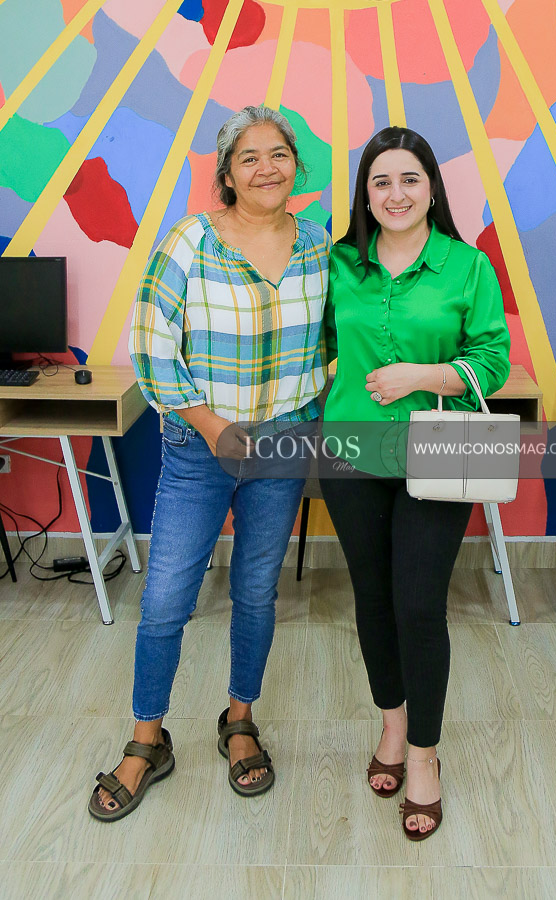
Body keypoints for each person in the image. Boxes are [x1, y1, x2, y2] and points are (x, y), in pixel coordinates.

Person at [88, 106, 331, 820]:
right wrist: (212, 425)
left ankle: (239, 720)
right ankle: (146, 742)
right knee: (167, 596)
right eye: (248, 157)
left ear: (297, 165)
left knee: (255, 590)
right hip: (200, 446)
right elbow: (151, 344)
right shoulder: (190, 241)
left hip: (282, 443)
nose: (266, 167)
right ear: (227, 173)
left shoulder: (319, 247)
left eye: (279, 153)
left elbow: (332, 343)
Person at [320, 127, 510, 841]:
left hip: (442, 450)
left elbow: (493, 359)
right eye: (381, 182)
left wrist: (423, 376)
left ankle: (425, 755)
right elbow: (315, 342)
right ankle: (392, 728)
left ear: (431, 188)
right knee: (372, 599)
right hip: (352, 454)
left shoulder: (467, 265)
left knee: (420, 605)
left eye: (409, 179)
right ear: (365, 195)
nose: (395, 194)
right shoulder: (339, 263)